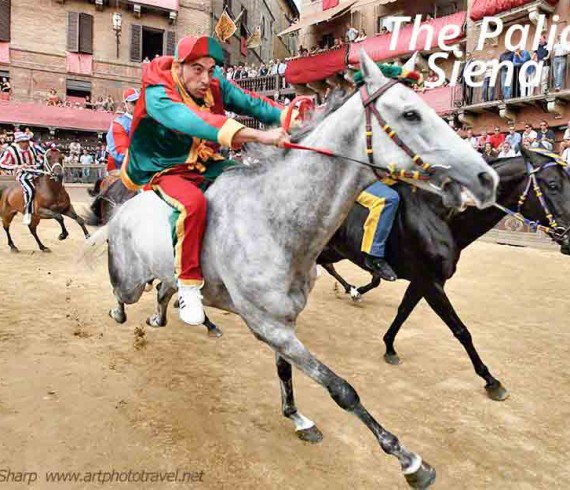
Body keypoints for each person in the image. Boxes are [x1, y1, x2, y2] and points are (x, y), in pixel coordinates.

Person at [120, 35, 293, 325]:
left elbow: (252, 103)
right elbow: (195, 122)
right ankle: (187, 285)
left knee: (250, 180)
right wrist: (262, 136)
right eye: (197, 69)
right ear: (179, 66)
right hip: (165, 167)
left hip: (204, 162)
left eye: (210, 69)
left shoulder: (212, 82)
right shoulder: (157, 93)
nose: (206, 78)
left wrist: (291, 116)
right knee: (192, 204)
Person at [0, 131, 46, 225]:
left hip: (35, 171)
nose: (26, 143)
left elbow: (41, 158)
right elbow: (2, 163)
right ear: (18, 142)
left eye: (27, 141)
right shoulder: (10, 150)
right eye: (24, 142)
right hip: (22, 173)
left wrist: (35, 165)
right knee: (29, 189)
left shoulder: (32, 147)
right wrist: (18, 166)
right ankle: (28, 212)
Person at [106, 87, 140, 174]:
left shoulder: (147, 122)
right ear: (125, 104)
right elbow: (120, 154)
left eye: (140, 102)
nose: (138, 105)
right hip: (120, 170)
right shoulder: (119, 124)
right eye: (134, 102)